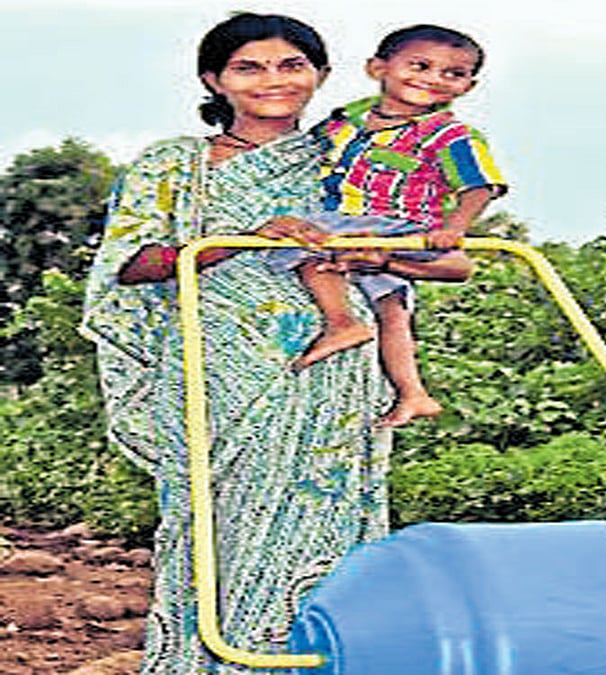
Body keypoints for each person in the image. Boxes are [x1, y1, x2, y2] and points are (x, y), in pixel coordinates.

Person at [81, 13, 467, 673]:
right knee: (212, 525)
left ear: (321, 75)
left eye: (291, 65)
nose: (273, 81)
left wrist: (379, 254)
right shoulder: (175, 164)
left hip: (332, 371)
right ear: (214, 80)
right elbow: (132, 265)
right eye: (248, 68)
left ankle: (315, 660)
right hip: (214, 367)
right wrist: (245, 239)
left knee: (326, 525)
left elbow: (445, 254)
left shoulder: (350, 158)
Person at [267, 24, 507, 427]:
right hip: (343, 217)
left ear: (468, 86)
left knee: (309, 244)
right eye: (420, 66)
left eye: (453, 73)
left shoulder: (449, 135)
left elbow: (480, 186)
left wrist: (454, 227)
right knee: (391, 308)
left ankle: (341, 323)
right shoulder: (344, 122)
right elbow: (299, 159)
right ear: (377, 68)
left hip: (396, 223)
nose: (433, 78)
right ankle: (412, 393)